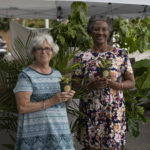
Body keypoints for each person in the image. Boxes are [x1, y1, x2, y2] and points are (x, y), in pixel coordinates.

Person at [72, 15, 135, 150]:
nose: (100, 32)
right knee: (91, 147)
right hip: (90, 112)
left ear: (109, 32)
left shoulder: (120, 55)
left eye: (104, 29)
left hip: (113, 111)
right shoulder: (82, 57)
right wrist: (90, 86)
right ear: (90, 32)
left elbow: (131, 82)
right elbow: (74, 87)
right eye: (96, 29)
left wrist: (116, 85)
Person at [13, 33, 75, 150]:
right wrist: (52, 100)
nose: (43, 51)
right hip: (36, 136)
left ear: (52, 51)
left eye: (47, 48)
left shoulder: (58, 75)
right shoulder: (26, 75)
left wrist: (68, 98)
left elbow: (62, 105)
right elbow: (22, 107)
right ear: (33, 52)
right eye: (39, 48)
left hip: (60, 134)